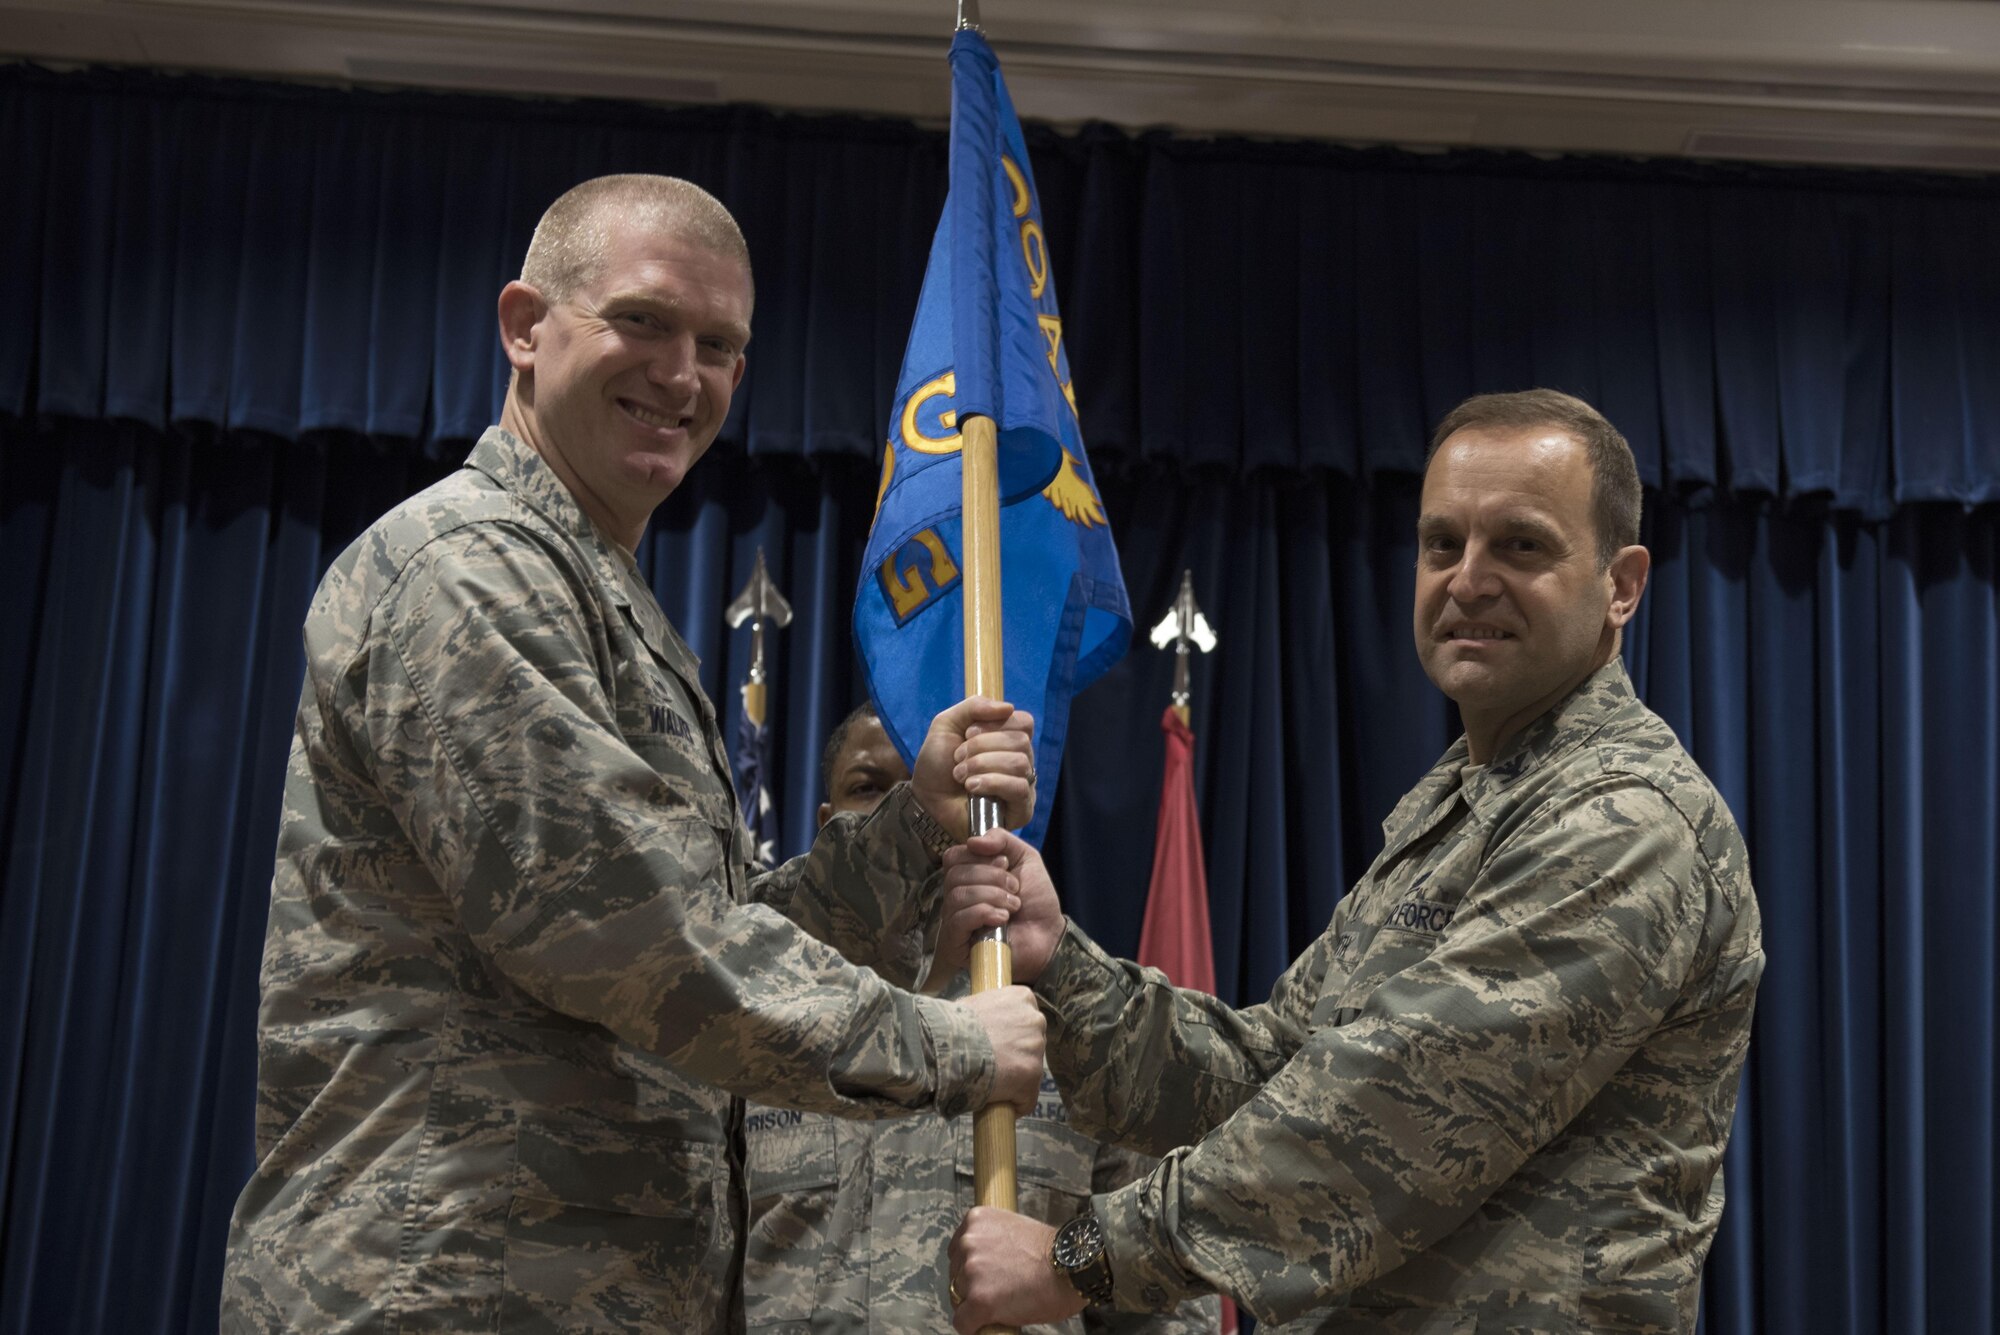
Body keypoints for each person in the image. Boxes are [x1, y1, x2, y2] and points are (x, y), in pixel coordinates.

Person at [220, 175, 1048, 1334]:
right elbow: (624, 936)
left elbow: (695, 923)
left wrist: (910, 827)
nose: (679, 375)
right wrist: (951, 1048)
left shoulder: (597, 595)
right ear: (525, 325)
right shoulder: (463, 568)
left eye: (717, 345)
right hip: (439, 1288)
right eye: (643, 321)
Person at [941, 390, 1765, 1334]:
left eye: (1522, 545)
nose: (1468, 580)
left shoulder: (1625, 821)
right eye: (1442, 543)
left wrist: (1076, 1259)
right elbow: (1266, 1076)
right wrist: (1063, 966)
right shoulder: (1457, 807)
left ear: (1623, 584)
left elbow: (1389, 1119)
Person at [741, 704, 1218, 1335]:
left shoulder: (1078, 1030)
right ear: (829, 823)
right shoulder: (758, 1015)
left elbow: (1169, 1307)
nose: (910, 811)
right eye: (869, 790)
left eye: (933, 788)